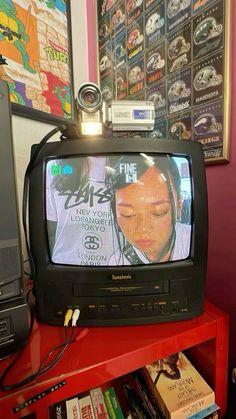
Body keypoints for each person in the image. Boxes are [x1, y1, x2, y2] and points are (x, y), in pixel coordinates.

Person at [106, 154, 191, 266]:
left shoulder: (194, 243)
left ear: (179, 205)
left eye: (159, 212)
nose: (143, 228)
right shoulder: (117, 263)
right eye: (127, 214)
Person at [46, 156, 114, 266]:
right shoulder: (54, 166)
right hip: (65, 265)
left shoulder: (125, 162)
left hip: (116, 267)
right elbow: (50, 227)